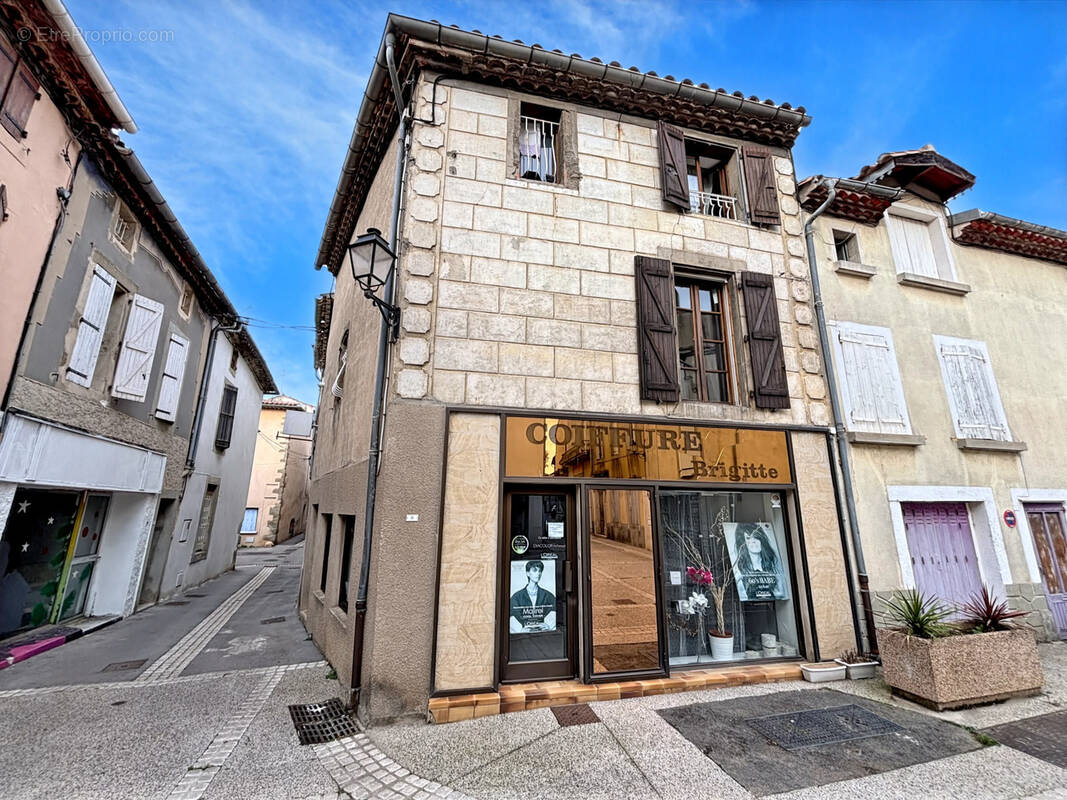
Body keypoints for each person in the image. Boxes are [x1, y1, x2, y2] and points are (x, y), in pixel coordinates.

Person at [733, 524, 782, 599]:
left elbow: (781, 594)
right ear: (743, 542)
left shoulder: (773, 564)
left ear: (761, 539)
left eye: (755, 537)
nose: (753, 541)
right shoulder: (739, 570)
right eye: (748, 538)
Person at [509, 560, 557, 633]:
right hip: (523, 638)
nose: (538, 574)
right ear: (528, 573)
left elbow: (555, 612)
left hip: (544, 636)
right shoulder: (516, 597)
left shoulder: (549, 595)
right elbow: (511, 616)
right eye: (534, 570)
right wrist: (520, 630)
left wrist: (548, 626)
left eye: (540, 571)